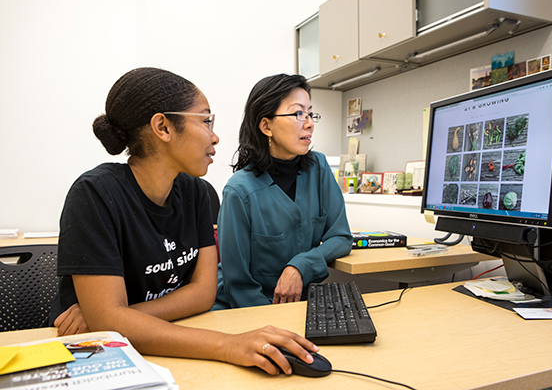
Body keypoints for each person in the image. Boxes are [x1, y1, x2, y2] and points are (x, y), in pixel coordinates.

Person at [47, 67, 319, 376]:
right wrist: (227, 345)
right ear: (163, 127)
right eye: (205, 121)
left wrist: (115, 316)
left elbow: (203, 293)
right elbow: (108, 326)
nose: (214, 135)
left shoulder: (198, 193)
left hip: (167, 342)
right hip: (92, 352)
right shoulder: (95, 194)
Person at [213, 74, 353, 309]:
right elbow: (238, 286)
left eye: (310, 113)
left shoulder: (318, 167)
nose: (309, 123)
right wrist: (275, 322)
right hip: (245, 308)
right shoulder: (239, 190)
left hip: (296, 307)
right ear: (266, 126)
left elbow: (341, 237)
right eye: (298, 114)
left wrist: (300, 265)